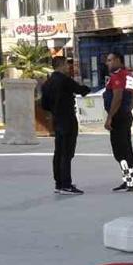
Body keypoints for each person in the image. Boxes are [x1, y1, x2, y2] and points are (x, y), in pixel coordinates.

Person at [40, 56, 91, 195]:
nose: (68, 67)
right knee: (67, 154)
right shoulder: (64, 80)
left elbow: (44, 104)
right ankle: (66, 185)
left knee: (58, 152)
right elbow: (82, 90)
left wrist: (54, 109)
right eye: (66, 65)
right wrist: (87, 87)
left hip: (56, 120)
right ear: (61, 65)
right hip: (67, 119)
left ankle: (59, 183)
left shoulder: (47, 83)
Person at [103, 52, 133, 192]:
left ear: (118, 60)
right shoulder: (129, 75)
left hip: (118, 118)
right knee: (126, 150)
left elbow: (117, 97)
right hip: (124, 116)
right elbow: (132, 97)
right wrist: (127, 111)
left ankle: (132, 182)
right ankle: (130, 180)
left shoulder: (118, 76)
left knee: (120, 152)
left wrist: (110, 117)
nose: (108, 63)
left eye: (110, 60)